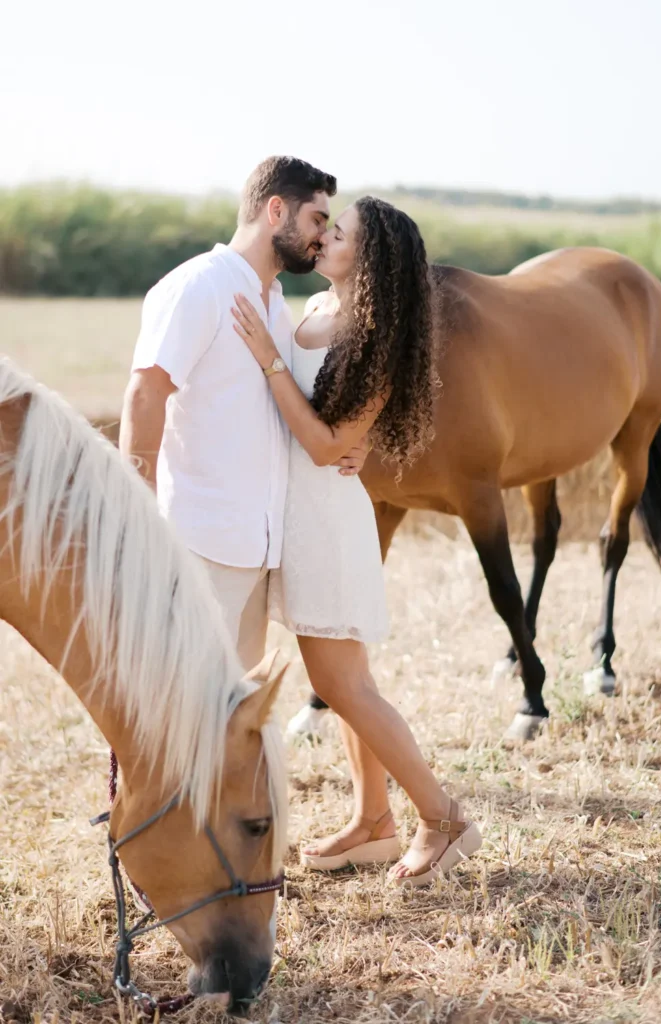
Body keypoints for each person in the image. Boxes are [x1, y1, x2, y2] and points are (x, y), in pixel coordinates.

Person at [232, 196, 482, 885]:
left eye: (337, 234)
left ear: (367, 260)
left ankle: (443, 818)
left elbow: (323, 446)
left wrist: (269, 361)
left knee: (339, 682)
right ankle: (373, 821)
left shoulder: (372, 338)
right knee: (347, 683)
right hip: (297, 517)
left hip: (328, 524)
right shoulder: (316, 308)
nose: (322, 239)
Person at [120, 156, 367, 674]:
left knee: (235, 709)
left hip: (260, 549)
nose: (321, 237)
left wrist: (353, 442)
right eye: (317, 220)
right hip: (199, 542)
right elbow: (145, 394)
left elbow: (287, 406)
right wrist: (137, 514)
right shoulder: (199, 285)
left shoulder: (277, 304)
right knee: (178, 695)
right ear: (276, 211)